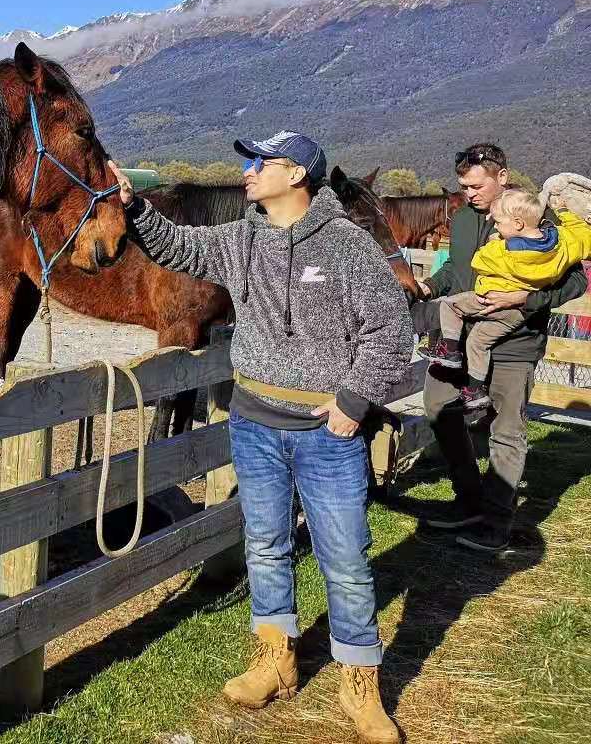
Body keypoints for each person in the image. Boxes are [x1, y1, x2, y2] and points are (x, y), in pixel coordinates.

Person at [107, 131, 412, 744]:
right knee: (267, 545)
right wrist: (132, 205)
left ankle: (360, 682)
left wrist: (353, 402)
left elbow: (391, 331)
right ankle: (275, 660)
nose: (247, 171)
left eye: (260, 162)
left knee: (346, 560)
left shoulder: (348, 247)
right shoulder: (241, 239)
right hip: (254, 425)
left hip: (327, 433)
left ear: (298, 175)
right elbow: (177, 247)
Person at [416, 144, 588, 553]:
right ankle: (470, 499)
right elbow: (456, 269)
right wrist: (429, 286)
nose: (469, 193)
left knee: (506, 430)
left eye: (476, 186)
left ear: (503, 177)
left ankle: (496, 522)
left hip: (516, 342)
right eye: (463, 186)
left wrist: (523, 301)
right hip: (460, 340)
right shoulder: (460, 219)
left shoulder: (538, 219)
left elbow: (577, 281)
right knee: (438, 406)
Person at [428, 189, 591, 412]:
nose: (496, 227)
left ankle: (450, 350)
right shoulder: (562, 244)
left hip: (490, 301)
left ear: (517, 223)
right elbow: (582, 236)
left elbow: (479, 262)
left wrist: (494, 241)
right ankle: (474, 391)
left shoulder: (506, 252)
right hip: (517, 314)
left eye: (499, 223)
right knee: (478, 340)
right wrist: (564, 211)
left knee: (449, 305)